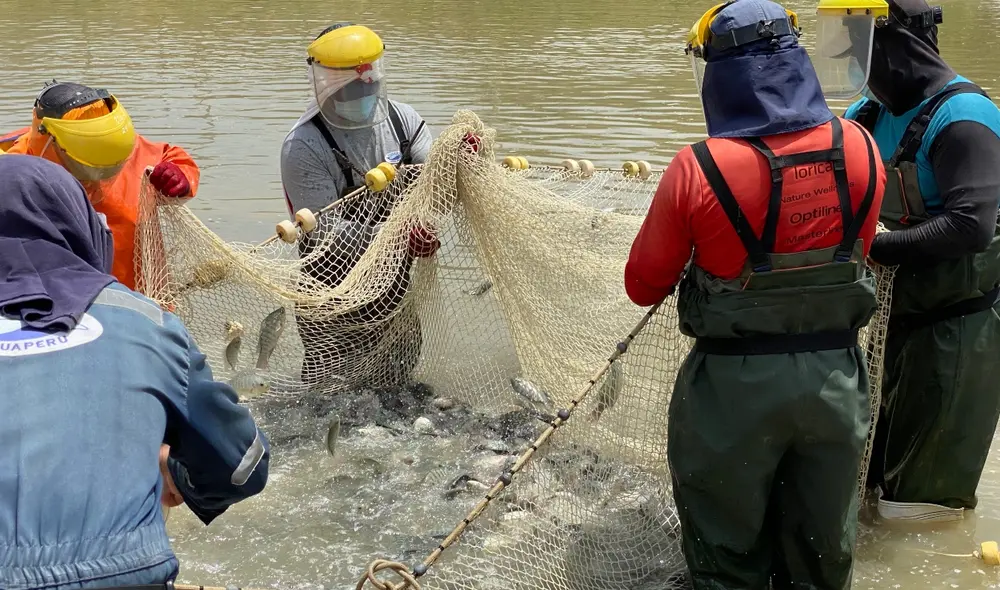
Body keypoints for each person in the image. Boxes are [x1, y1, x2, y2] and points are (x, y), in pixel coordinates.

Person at [625, 0, 887, 587]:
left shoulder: (697, 168)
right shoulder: (861, 146)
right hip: (835, 381)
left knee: (727, 560)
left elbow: (642, 287)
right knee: (822, 555)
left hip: (732, 393)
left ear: (720, 74)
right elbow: (857, 251)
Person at [0, 154, 269, 589]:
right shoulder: (144, 320)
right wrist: (172, 470)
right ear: (81, 225)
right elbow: (243, 467)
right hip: (124, 575)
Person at [842, 0, 1000, 521]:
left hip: (958, 329)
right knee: (866, 479)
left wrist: (872, 248)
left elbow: (969, 226)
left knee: (922, 509)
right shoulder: (866, 112)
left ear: (895, 44)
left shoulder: (964, 117)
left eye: (856, 43)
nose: (848, 57)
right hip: (891, 321)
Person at [280, 23, 438, 391]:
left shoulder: (404, 122)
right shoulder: (304, 146)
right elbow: (326, 234)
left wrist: (460, 163)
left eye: (370, 85)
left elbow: (434, 182)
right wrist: (397, 237)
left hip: (393, 284)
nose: (364, 92)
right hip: (330, 290)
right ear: (326, 85)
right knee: (334, 395)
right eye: (353, 88)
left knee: (399, 377)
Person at [5, 80, 200, 292]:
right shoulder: (11, 170)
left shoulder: (119, 147)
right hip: (53, 301)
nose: (98, 181)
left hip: (139, 294)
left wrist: (178, 176)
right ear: (51, 141)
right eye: (88, 169)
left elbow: (175, 158)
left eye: (110, 169)